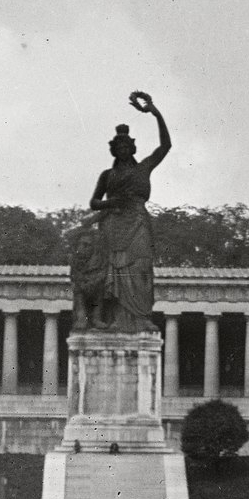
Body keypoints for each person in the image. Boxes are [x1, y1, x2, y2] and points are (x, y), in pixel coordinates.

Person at [72, 92, 171, 333]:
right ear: (114, 151)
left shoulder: (144, 167)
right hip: (114, 223)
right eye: (119, 147)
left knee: (141, 268)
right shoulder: (108, 175)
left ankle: (140, 317)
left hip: (137, 221)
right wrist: (112, 202)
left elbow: (166, 146)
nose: (123, 149)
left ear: (133, 147)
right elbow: (94, 202)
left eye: (127, 145)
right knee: (115, 272)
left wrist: (156, 113)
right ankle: (117, 318)